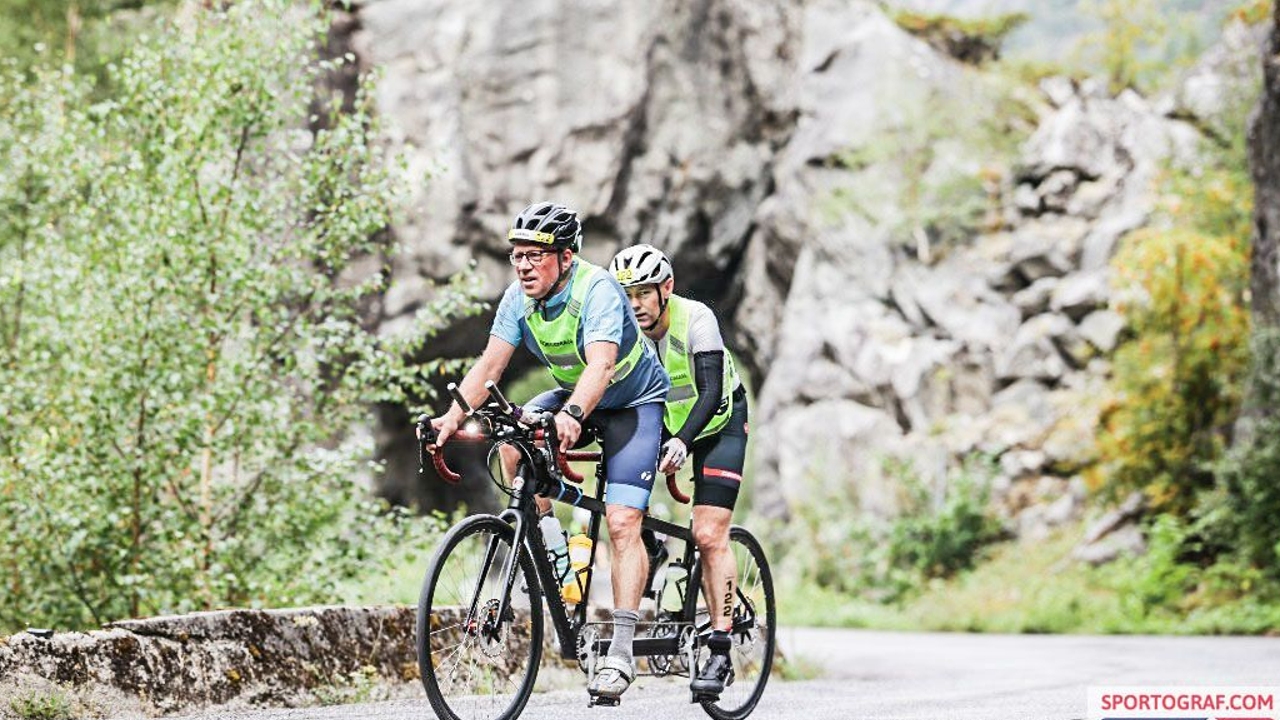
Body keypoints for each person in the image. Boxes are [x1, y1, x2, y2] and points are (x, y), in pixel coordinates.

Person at [429, 202, 669, 702]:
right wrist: (450, 419)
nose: (522, 265)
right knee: (511, 447)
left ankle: (620, 653)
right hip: (573, 394)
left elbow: (601, 366)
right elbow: (490, 367)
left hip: (631, 403)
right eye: (516, 255)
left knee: (624, 521)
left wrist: (573, 417)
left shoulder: (596, 289)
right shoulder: (517, 299)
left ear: (564, 257)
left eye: (534, 256)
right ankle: (559, 565)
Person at [609, 243, 748, 699]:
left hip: (718, 425)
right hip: (663, 424)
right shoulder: (619, 328)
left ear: (665, 289)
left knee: (709, 535)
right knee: (622, 510)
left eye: (644, 293)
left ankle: (721, 647)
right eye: (625, 294)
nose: (634, 305)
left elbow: (708, 393)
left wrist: (683, 442)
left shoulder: (697, 319)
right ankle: (652, 551)